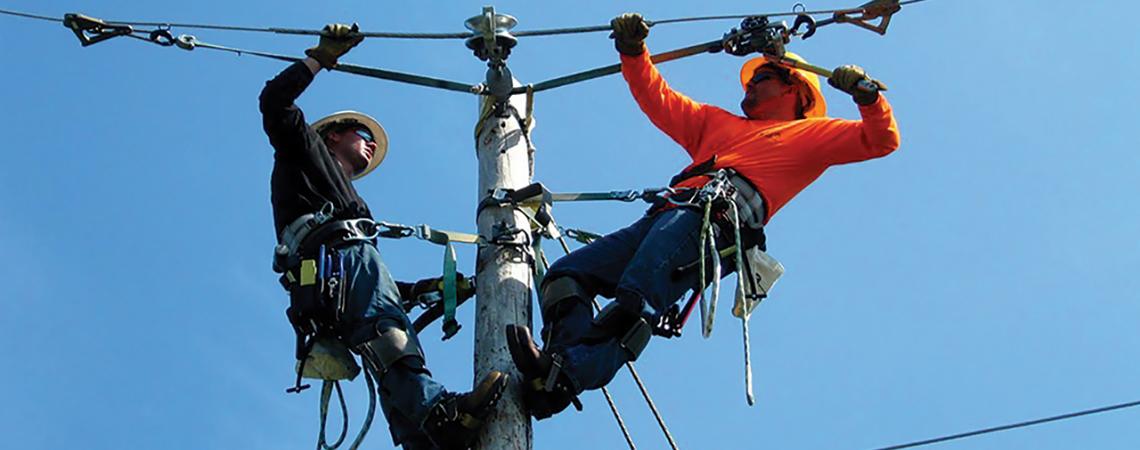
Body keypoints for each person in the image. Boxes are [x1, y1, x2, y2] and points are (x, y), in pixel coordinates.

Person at [505, 13, 901, 419]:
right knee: (566, 275)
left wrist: (867, 95)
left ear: (795, 90)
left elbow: (881, 139)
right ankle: (551, 371)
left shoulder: (812, 136)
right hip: (668, 212)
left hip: (714, 221)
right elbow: (657, 96)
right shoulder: (716, 123)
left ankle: (570, 373)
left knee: (639, 292)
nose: (750, 84)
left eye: (762, 76)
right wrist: (633, 50)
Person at [260, 23, 507, 449]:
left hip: (341, 270)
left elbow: (378, 293)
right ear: (333, 134)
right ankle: (439, 413)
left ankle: (428, 439)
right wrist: (322, 57)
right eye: (363, 134)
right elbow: (273, 101)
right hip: (333, 262)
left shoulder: (349, 201)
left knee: (388, 341)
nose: (371, 143)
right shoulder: (302, 149)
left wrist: (431, 288)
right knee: (388, 336)